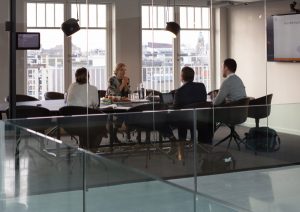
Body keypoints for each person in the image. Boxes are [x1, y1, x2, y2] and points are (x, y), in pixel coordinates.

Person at [172, 67, 212, 144]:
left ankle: (182, 145)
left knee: (180, 118)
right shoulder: (201, 86)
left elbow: (175, 110)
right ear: (193, 77)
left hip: (186, 121)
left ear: (182, 77)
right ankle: (202, 146)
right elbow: (203, 101)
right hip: (201, 118)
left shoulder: (179, 91)